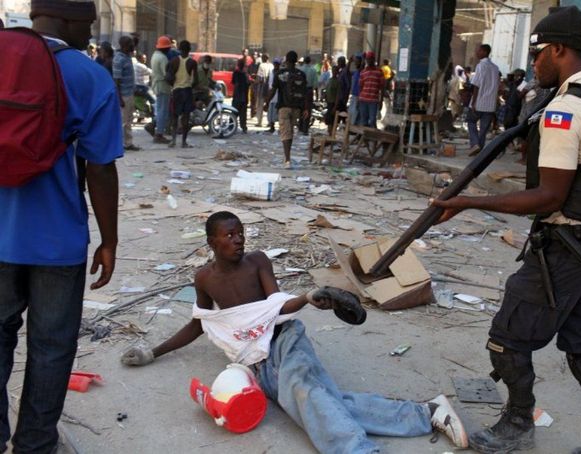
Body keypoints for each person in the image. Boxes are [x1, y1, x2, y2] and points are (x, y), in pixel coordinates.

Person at [431, 6, 581, 454]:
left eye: (539, 52)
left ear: (558, 49)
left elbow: (548, 198)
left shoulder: (566, 110)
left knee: (505, 340)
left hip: (566, 250)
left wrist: (466, 202)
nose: (535, 61)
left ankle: (518, 423)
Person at [120, 211, 468, 453]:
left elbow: (276, 304)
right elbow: (200, 322)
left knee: (305, 394)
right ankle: (427, 413)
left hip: (285, 340)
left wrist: (307, 297)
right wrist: (153, 352)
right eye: (229, 235)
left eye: (241, 232)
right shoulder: (204, 279)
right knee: (320, 402)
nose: (238, 240)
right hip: (255, 361)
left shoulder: (257, 262)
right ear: (212, 242)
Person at [0, 1, 122, 452]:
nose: (89, 36)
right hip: (58, 243)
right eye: (87, 26)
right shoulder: (89, 76)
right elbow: (100, 167)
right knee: (51, 350)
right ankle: (34, 445)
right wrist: (109, 240)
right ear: (69, 21)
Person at [267, 50, 309, 169]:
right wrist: (305, 108)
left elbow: (273, 90)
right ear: (296, 61)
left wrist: (267, 102)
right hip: (296, 108)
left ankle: (287, 159)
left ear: (286, 60)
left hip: (283, 107)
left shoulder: (280, 74)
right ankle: (288, 156)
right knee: (290, 132)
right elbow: (305, 93)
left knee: (285, 133)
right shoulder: (301, 74)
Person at [466, 44, 499, 156]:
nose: (476, 53)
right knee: (484, 129)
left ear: (484, 52)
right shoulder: (495, 68)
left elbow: (476, 85)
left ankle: (475, 144)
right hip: (490, 104)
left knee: (471, 122)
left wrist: (474, 102)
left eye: (478, 51)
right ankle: (479, 148)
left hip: (479, 102)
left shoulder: (481, 66)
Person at [167, 40, 198, 148]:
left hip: (176, 91)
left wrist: (174, 85)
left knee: (174, 117)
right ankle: (184, 142)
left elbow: (169, 78)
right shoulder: (192, 62)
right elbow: (196, 81)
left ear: (179, 49)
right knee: (186, 118)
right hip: (187, 91)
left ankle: (173, 140)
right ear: (189, 50)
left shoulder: (173, 61)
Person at [113, 35, 139, 151]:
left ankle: (128, 143)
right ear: (124, 46)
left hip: (129, 93)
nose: (132, 46)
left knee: (128, 119)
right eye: (130, 44)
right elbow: (116, 81)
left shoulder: (127, 55)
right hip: (124, 94)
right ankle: (122, 144)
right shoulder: (119, 59)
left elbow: (134, 45)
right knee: (124, 121)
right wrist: (119, 98)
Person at [149, 35, 172, 144]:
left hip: (157, 85)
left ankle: (156, 129)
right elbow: (167, 75)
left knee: (159, 110)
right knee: (163, 111)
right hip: (163, 86)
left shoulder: (155, 55)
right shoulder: (163, 58)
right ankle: (159, 134)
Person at [358, 51, 384, 129]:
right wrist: (359, 99)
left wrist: (381, 100)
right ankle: (365, 139)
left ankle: (372, 139)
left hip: (373, 101)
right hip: (363, 100)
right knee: (364, 121)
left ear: (373, 59)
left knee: (372, 120)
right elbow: (360, 87)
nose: (369, 61)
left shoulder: (379, 72)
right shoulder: (363, 72)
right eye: (368, 59)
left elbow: (382, 87)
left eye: (370, 59)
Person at [299, 56, 318, 135]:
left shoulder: (300, 69)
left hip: (301, 90)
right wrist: (316, 95)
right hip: (309, 91)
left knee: (301, 108)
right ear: (310, 61)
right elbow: (315, 84)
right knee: (308, 109)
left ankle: (300, 127)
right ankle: (305, 128)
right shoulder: (313, 70)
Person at [255, 53, 274, 127]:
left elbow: (260, 78)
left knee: (260, 105)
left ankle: (259, 122)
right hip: (270, 88)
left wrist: (255, 82)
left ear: (263, 58)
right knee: (269, 105)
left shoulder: (261, 65)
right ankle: (270, 122)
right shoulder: (272, 65)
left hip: (262, 88)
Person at [232, 58, 250, 134]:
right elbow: (248, 83)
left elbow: (234, 83)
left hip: (237, 95)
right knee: (243, 114)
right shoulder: (245, 74)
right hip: (243, 96)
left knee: (234, 113)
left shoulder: (236, 73)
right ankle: (244, 127)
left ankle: (231, 126)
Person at [266, 57, 281, 134]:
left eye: (277, 64)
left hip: (278, 95)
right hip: (271, 95)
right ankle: (271, 126)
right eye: (275, 64)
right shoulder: (271, 72)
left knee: (277, 113)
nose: (276, 65)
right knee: (270, 112)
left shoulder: (281, 73)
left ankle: (279, 128)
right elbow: (268, 83)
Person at [324, 65, 340, 135]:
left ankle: (332, 135)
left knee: (332, 121)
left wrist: (335, 106)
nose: (334, 72)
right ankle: (329, 133)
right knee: (328, 120)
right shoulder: (329, 80)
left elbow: (338, 95)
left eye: (335, 71)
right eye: (333, 70)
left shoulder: (338, 82)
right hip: (329, 103)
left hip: (333, 103)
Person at [349, 52, 363, 125]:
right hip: (354, 96)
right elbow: (347, 72)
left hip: (359, 96)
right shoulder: (355, 72)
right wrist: (349, 62)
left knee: (356, 114)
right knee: (352, 113)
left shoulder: (362, 72)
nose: (355, 63)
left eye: (357, 62)